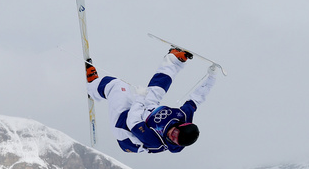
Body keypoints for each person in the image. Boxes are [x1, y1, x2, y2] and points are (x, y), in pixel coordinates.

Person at [85, 48, 218, 153]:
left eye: (174, 140)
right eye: (176, 133)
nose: (171, 136)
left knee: (117, 85)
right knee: (157, 90)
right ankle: (174, 60)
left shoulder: (155, 140)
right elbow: (197, 98)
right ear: (181, 125)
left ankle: (92, 87)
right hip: (148, 111)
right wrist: (211, 78)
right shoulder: (183, 116)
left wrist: (140, 98)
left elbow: (133, 121)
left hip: (126, 130)